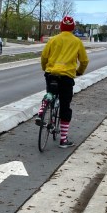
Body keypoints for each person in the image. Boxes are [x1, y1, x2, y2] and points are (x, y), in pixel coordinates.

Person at [36, 15, 89, 148]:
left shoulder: (53, 40)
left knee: (51, 93)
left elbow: (44, 56)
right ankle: (63, 140)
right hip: (66, 77)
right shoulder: (77, 42)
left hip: (51, 74)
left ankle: (44, 106)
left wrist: (46, 69)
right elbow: (84, 61)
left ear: (61, 27)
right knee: (65, 106)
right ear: (72, 28)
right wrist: (79, 72)